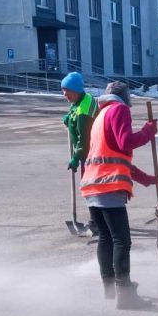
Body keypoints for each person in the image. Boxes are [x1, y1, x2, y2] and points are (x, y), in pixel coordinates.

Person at [80, 82, 158, 309]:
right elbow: (126, 143)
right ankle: (125, 295)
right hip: (108, 186)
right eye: (128, 96)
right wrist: (147, 132)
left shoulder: (101, 115)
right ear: (122, 96)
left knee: (106, 238)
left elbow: (114, 155)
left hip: (92, 186)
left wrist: (148, 179)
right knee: (121, 240)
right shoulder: (119, 110)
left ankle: (110, 289)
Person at [61, 71, 99, 234]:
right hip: (89, 153)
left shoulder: (84, 110)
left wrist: (76, 158)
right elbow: (73, 113)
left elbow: (85, 139)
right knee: (91, 187)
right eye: (63, 90)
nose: (65, 94)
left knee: (91, 188)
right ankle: (98, 220)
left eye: (67, 90)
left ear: (76, 90)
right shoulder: (80, 100)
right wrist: (68, 118)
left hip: (92, 154)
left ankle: (95, 222)